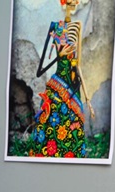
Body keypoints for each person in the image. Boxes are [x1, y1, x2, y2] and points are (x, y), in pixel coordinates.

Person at [31, 0, 94, 158]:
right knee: (52, 118)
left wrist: (87, 98)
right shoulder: (56, 27)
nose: (72, 5)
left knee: (73, 121)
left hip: (72, 85)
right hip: (57, 83)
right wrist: (60, 55)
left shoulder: (77, 27)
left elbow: (78, 65)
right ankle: (48, 152)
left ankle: (72, 153)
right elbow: (41, 68)